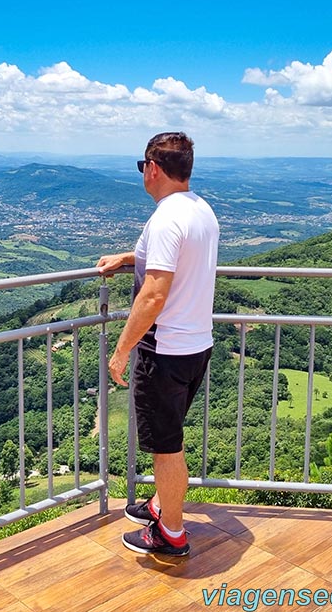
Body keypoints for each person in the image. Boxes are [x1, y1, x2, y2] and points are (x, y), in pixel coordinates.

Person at [96, 131, 218, 557]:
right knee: (171, 438)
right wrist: (128, 258)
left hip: (163, 349)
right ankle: (160, 504)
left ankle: (171, 533)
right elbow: (174, 262)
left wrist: (121, 350)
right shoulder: (201, 210)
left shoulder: (166, 217)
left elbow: (153, 294)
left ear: (152, 168)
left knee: (167, 447)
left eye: (141, 167)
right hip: (195, 345)